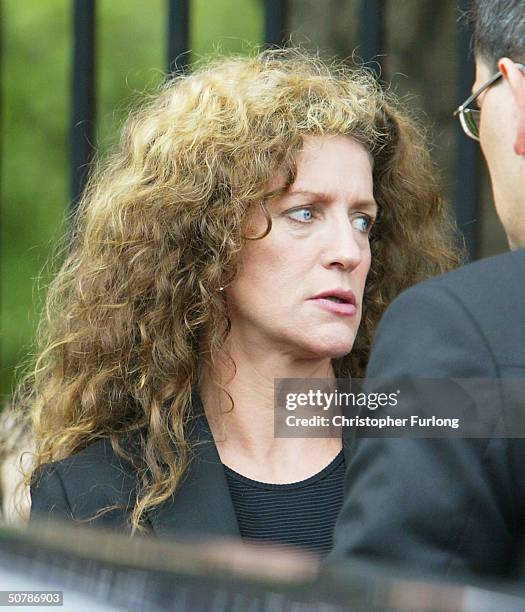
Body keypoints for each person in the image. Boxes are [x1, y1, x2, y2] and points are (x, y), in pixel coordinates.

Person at [25, 49, 458, 556]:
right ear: (208, 236)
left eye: (363, 220)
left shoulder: (445, 435)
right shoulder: (91, 495)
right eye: (304, 213)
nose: (348, 252)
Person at [330, 0, 525, 578]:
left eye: (476, 105)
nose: (346, 251)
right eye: (303, 212)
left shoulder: (461, 330)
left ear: (516, 94)